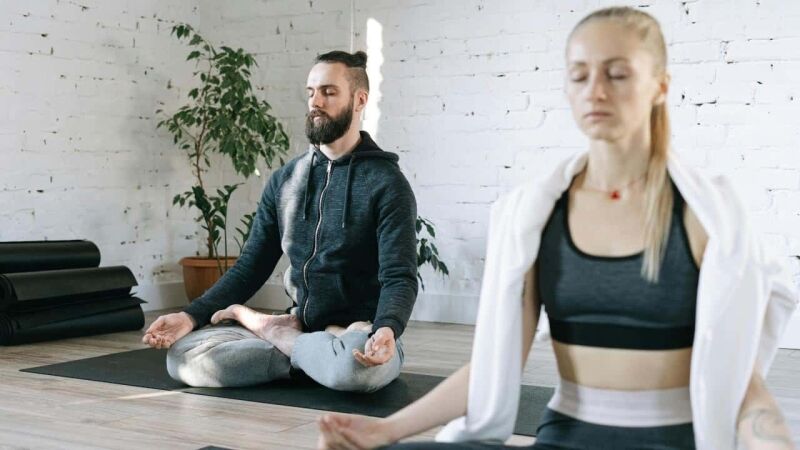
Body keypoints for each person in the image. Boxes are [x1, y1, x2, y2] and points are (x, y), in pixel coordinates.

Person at [316, 7, 798, 449]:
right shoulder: (537, 214)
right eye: (580, 75)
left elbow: (743, 387)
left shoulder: (705, 217)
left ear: (660, 86)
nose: (596, 91)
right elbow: (493, 365)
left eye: (617, 73)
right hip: (563, 438)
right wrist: (386, 430)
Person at [142, 50, 419, 393]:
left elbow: (399, 276)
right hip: (301, 325)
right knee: (182, 358)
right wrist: (189, 316)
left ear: (359, 100)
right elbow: (250, 267)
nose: (315, 102)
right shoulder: (286, 180)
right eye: (311, 92)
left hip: (362, 331)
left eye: (329, 92)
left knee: (356, 370)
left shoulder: (386, 184)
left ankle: (279, 337)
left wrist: (387, 329)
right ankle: (309, 355)